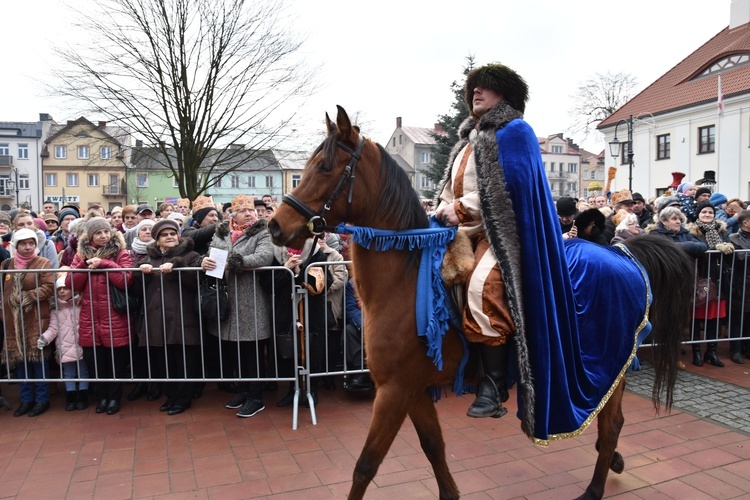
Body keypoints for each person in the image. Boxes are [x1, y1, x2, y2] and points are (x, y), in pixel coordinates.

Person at [433, 63, 558, 425]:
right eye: (473, 87)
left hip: (503, 231)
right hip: (463, 230)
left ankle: (495, 384)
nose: (476, 92)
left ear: (505, 94)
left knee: (480, 286)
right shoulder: (465, 142)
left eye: (485, 87)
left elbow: (512, 189)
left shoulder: (515, 131)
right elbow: (447, 189)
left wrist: (461, 209)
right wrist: (439, 211)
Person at [201, 195, 274, 418]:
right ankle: (243, 390)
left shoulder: (263, 232)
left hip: (251, 300)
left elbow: (264, 256)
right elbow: (213, 253)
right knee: (235, 350)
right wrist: (205, 262)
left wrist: (233, 261)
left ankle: (256, 397)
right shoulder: (221, 232)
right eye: (243, 211)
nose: (250, 214)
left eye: (251, 210)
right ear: (232, 214)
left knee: (251, 351)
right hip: (228, 298)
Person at [66, 217, 134, 415]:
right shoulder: (81, 255)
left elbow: (125, 280)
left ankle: (114, 398)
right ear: (90, 236)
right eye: (98, 233)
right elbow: (72, 284)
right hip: (90, 317)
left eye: (106, 231)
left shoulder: (120, 252)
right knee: (96, 362)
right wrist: (84, 265)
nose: (104, 236)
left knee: (116, 362)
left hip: (114, 316)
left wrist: (104, 263)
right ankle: (103, 396)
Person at [137, 219, 202, 415]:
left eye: (173, 233)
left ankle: (183, 398)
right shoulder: (148, 259)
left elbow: (195, 283)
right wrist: (142, 273)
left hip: (183, 317)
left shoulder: (191, 256)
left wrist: (177, 269)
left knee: (184, 361)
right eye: (165, 235)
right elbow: (137, 290)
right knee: (165, 361)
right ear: (157, 240)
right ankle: (171, 396)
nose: (170, 237)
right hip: (157, 319)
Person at [2, 228, 55, 417]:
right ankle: (26, 399)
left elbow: (49, 287)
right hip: (12, 321)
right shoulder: (7, 265)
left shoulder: (43, 263)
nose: (28, 247)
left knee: (38, 361)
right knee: (21, 363)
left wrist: (28, 296)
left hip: (35, 317)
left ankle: (42, 399)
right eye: (23, 243)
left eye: (31, 243)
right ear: (16, 245)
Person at [688, 201, 734, 367]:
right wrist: (715, 248)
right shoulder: (692, 231)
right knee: (697, 318)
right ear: (698, 214)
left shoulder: (722, 230)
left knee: (714, 319)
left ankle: (711, 352)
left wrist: (728, 248)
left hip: (719, 279)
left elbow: (730, 252)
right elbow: (696, 249)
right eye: (704, 212)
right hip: (702, 280)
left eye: (710, 212)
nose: (707, 215)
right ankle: (697, 352)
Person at [38, 275, 89, 411]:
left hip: (80, 344)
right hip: (65, 346)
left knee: (83, 370)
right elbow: (53, 328)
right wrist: (45, 338)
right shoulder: (55, 309)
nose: (62, 292)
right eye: (59, 289)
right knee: (68, 373)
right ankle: (71, 397)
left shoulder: (80, 305)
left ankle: (83, 396)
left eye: (65, 288)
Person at [729, 209, 750, 364]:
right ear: (745, 222)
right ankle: (735, 349)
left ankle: (747, 348)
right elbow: (740, 258)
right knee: (737, 317)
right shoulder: (733, 238)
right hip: (740, 283)